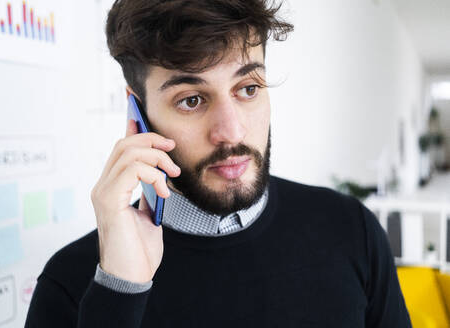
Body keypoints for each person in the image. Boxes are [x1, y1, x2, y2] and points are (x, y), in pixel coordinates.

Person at [25, 0, 412, 327]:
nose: (231, 131)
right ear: (137, 109)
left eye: (247, 89)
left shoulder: (350, 229)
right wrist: (120, 293)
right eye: (192, 99)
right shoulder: (73, 282)